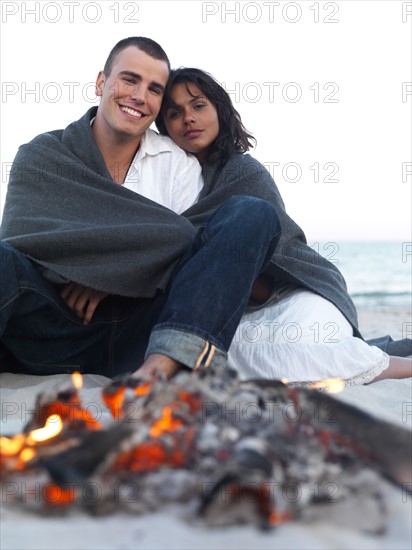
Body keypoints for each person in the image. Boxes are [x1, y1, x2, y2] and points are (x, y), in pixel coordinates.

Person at [0, 38, 282, 380]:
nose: (139, 96)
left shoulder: (177, 164)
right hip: (53, 327)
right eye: (129, 80)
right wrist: (109, 265)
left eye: (154, 89)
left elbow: (190, 248)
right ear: (102, 82)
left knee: (252, 214)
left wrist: (112, 274)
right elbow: (23, 237)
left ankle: (159, 372)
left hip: (146, 336)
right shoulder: (44, 153)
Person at [155, 67, 412, 385]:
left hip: (296, 296)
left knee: (297, 347)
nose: (188, 118)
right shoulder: (166, 179)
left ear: (219, 109)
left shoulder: (245, 172)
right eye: (174, 112)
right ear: (163, 126)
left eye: (198, 105)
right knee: (227, 353)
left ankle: (392, 365)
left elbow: (198, 243)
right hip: (241, 311)